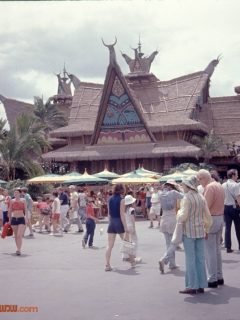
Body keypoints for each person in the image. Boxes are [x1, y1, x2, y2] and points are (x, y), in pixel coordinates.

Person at [177, 176, 212, 294]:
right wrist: (206, 229)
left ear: (188, 185)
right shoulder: (201, 197)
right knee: (200, 259)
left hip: (189, 232)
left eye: (183, 185)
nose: (182, 187)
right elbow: (208, 216)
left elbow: (183, 216)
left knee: (190, 259)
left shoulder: (187, 198)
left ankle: (192, 285)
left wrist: (178, 213)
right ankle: (201, 285)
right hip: (200, 231)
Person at [197, 169, 225, 288]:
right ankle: (219, 276)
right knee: (217, 250)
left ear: (203, 178)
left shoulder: (209, 188)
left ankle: (212, 278)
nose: (199, 182)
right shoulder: (219, 185)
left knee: (210, 251)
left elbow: (205, 207)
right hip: (220, 217)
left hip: (211, 219)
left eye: (199, 179)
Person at [158, 180, 184, 271]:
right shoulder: (173, 192)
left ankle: (172, 264)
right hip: (172, 219)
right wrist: (178, 187)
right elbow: (184, 196)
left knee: (168, 243)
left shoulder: (160, 194)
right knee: (175, 242)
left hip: (163, 219)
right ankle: (164, 259)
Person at [105, 184, 126, 271]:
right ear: (122, 190)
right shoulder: (122, 200)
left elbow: (109, 213)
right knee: (126, 242)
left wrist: (110, 222)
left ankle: (107, 264)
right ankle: (132, 260)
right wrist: (125, 226)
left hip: (112, 222)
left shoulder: (109, 199)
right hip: (118, 221)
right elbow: (122, 214)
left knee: (109, 246)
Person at [222, 169, 240, 253]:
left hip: (225, 207)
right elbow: (238, 198)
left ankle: (228, 247)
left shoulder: (223, 185)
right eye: (236, 175)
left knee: (227, 228)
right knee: (238, 228)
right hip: (234, 208)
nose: (237, 176)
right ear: (233, 175)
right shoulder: (236, 185)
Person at [123, 194, 141, 267]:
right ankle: (133, 256)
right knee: (134, 241)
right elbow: (133, 219)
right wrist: (134, 228)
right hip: (131, 226)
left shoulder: (125, 210)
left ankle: (125, 256)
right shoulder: (132, 210)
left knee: (127, 242)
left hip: (126, 226)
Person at [9, 189, 27, 255]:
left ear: (20, 194)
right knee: (16, 235)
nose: (16, 194)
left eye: (17, 193)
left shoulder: (23, 200)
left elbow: (26, 209)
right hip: (14, 218)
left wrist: (26, 218)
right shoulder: (12, 201)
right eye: (15, 193)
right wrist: (9, 220)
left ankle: (19, 249)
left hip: (21, 218)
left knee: (19, 235)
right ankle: (17, 249)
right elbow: (10, 210)